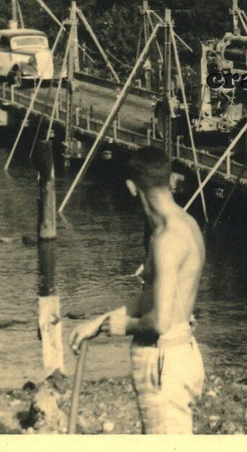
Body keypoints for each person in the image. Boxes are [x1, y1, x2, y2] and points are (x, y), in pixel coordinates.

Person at [71, 148, 206, 434]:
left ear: (132, 187)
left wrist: (124, 326)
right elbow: (156, 298)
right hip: (182, 353)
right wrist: (98, 322)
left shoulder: (164, 240)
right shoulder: (188, 225)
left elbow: (158, 321)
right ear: (169, 179)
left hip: (163, 363)